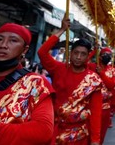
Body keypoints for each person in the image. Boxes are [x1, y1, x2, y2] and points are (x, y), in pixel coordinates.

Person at [38, 17, 103, 145]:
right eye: (76, 53)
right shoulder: (58, 68)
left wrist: (95, 140)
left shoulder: (93, 80)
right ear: (70, 53)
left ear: (88, 56)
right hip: (54, 131)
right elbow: (42, 52)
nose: (79, 57)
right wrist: (62, 30)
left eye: (83, 54)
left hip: (79, 136)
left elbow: (96, 112)